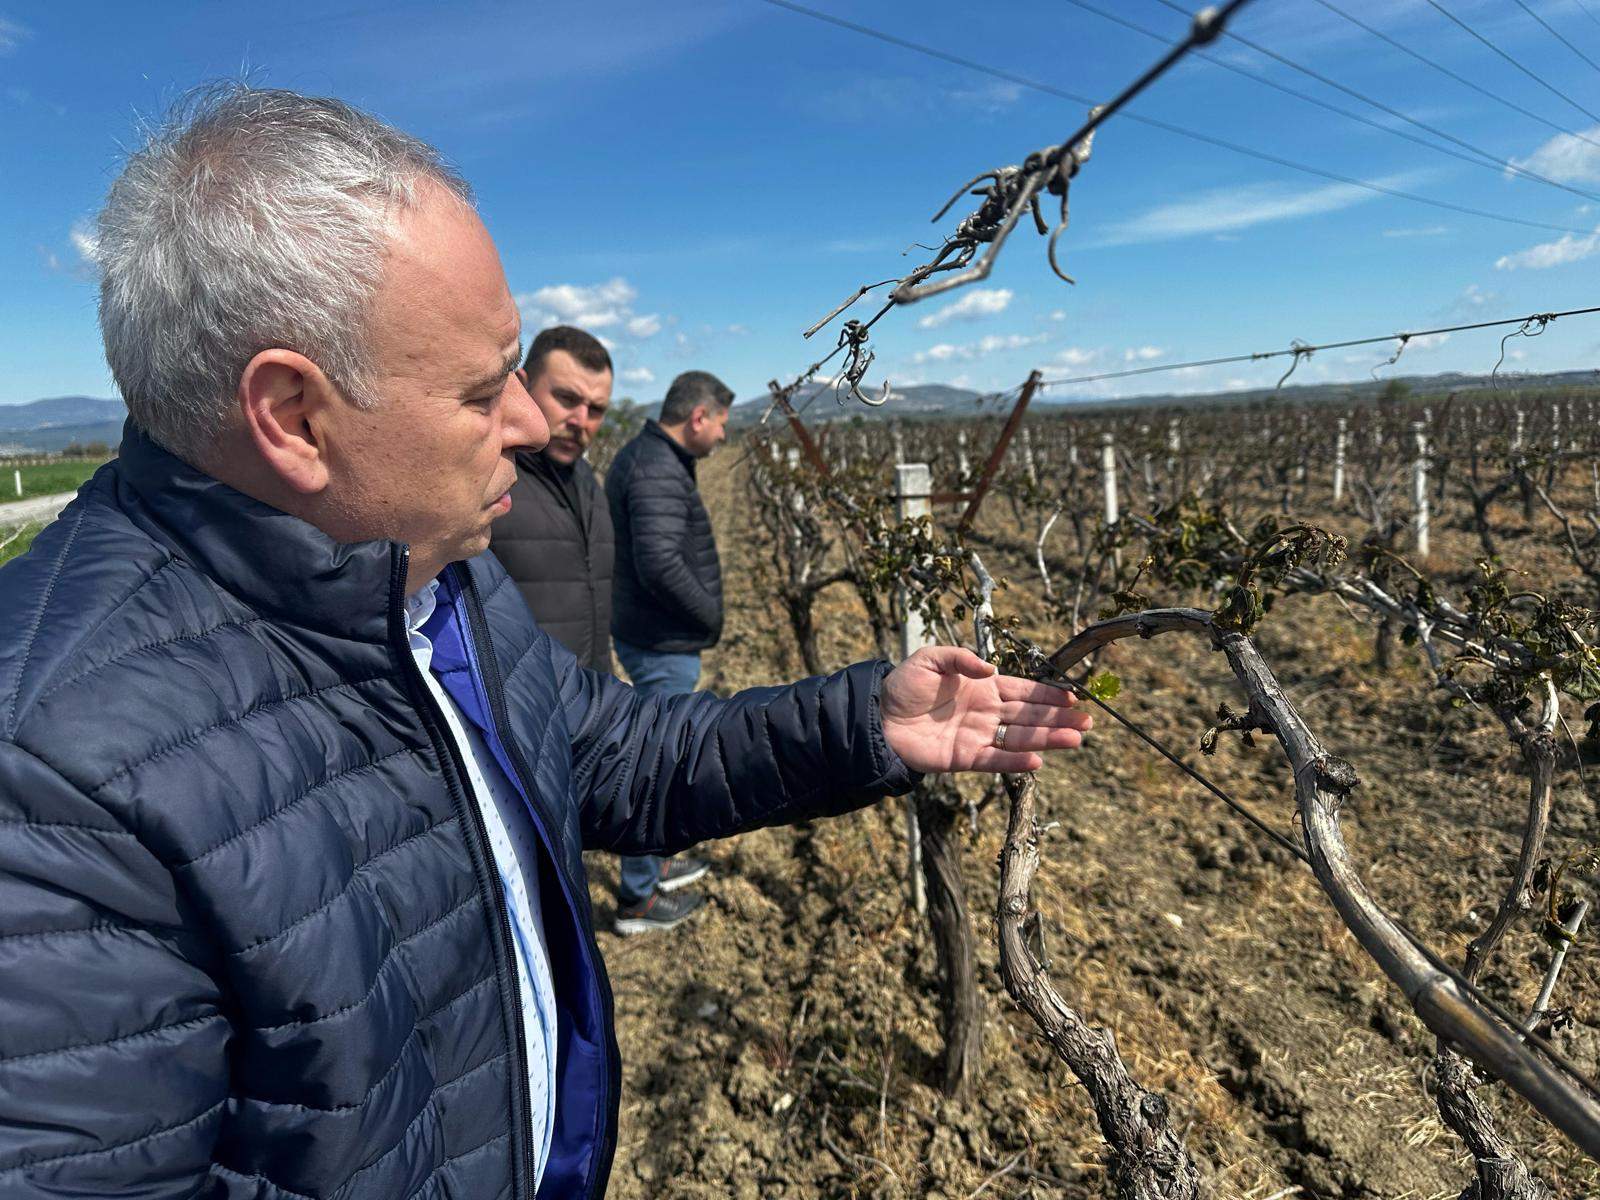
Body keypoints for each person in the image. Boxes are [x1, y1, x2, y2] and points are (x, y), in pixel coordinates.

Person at [0, 85, 1092, 1199]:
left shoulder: (432, 573)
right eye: (482, 393)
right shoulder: (50, 792)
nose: (527, 427)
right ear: (293, 416)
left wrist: (863, 722)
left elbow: (615, 755)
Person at [489, 326, 710, 933]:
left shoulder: (584, 481)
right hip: (514, 727)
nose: (581, 420)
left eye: (597, 410)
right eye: (567, 399)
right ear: (521, 383)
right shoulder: (490, 484)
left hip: (580, 702)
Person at [604, 369, 733, 931]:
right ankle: (639, 898)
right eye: (721, 424)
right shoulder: (656, 466)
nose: (724, 437)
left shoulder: (654, 458)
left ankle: (654, 862)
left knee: (663, 750)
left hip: (653, 634)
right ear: (697, 417)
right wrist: (709, 615)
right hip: (660, 640)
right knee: (656, 761)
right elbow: (659, 563)